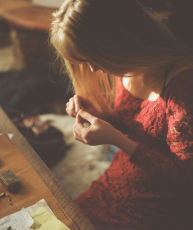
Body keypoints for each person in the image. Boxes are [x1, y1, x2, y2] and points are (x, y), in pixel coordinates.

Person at [50, 0, 193, 229]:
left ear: (118, 43)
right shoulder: (128, 66)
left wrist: (117, 140)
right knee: (61, 221)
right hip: (119, 178)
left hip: (161, 203)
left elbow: (186, 178)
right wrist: (98, 117)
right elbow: (138, 127)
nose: (93, 70)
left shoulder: (182, 88)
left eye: (92, 58)